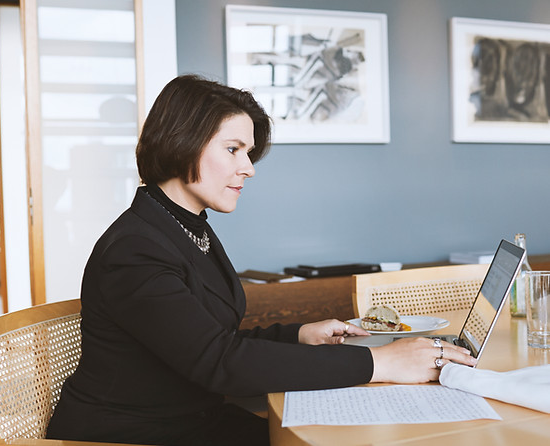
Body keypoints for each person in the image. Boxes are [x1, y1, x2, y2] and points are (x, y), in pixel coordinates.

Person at [45, 74, 477, 446]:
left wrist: (298, 335)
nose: (248, 168)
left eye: (248, 153)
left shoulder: (184, 225)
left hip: (192, 422)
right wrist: (381, 362)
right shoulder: (134, 250)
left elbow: (208, 336)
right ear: (181, 142)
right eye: (233, 149)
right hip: (132, 436)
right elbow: (219, 362)